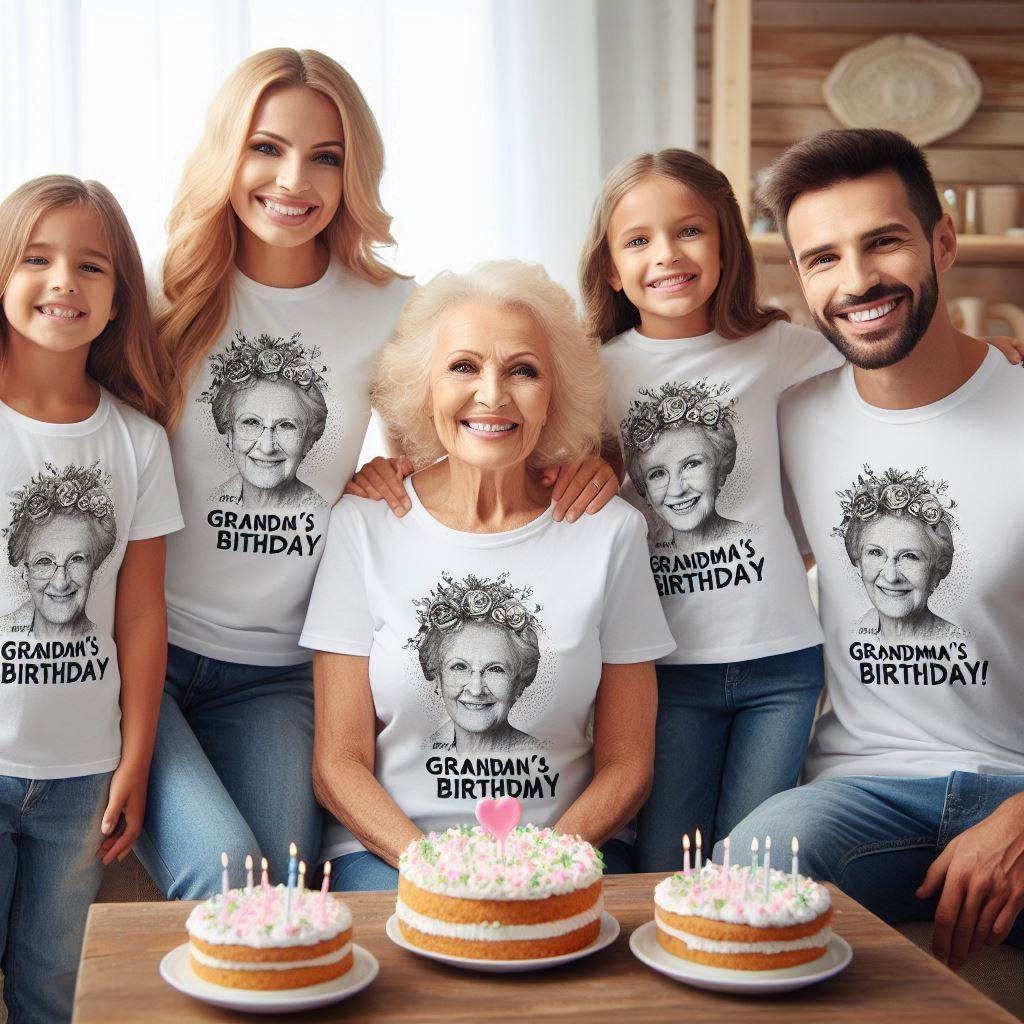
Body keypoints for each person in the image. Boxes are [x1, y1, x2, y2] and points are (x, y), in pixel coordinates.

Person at [723, 128, 1024, 971]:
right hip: (861, 791)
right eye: (822, 258)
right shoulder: (790, 418)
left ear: (944, 242)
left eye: (882, 242)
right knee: (743, 882)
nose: (856, 282)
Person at [136, 48, 415, 898]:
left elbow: (459, 445)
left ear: (352, 170)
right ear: (229, 152)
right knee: (229, 883)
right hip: (144, 656)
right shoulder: (158, 295)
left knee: (289, 898)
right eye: (267, 147)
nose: (294, 178)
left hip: (280, 673)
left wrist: (383, 474)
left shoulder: (395, 307)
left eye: (325, 156)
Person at [300, 261, 675, 891]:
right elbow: (338, 764)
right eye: (463, 367)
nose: (493, 395)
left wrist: (539, 868)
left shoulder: (611, 532)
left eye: (523, 370)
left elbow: (627, 764)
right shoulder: (364, 524)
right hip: (393, 859)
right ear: (424, 386)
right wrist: (436, 868)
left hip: (560, 855)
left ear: (556, 392)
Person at [578, 149, 838, 872]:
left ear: (725, 241)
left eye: (689, 231)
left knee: (752, 871)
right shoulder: (591, 371)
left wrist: (993, 351)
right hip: (664, 670)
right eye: (638, 241)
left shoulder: (779, 348)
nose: (666, 256)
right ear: (609, 267)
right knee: (667, 867)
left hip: (782, 664)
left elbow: (892, 363)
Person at [0, 176, 181, 1023]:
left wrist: (134, 760)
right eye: (38, 258)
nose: (64, 280)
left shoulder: (137, 442)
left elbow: (142, 618)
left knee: (53, 991)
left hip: (80, 779)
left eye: (90, 266)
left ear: (119, 299)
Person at [205, 330, 329, 508]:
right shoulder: (211, 502)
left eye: (286, 425)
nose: (267, 447)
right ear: (230, 436)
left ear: (308, 441)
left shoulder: (324, 511)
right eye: (251, 422)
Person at [837, 465, 961, 641]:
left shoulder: (962, 645)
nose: (891, 576)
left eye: (910, 556)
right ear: (858, 564)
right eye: (875, 553)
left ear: (937, 571)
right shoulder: (849, 634)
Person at [621, 378, 746, 549]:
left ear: (721, 471)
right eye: (657, 474)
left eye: (692, 464)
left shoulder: (755, 536)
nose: (676, 490)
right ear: (646, 492)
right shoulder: (637, 555)